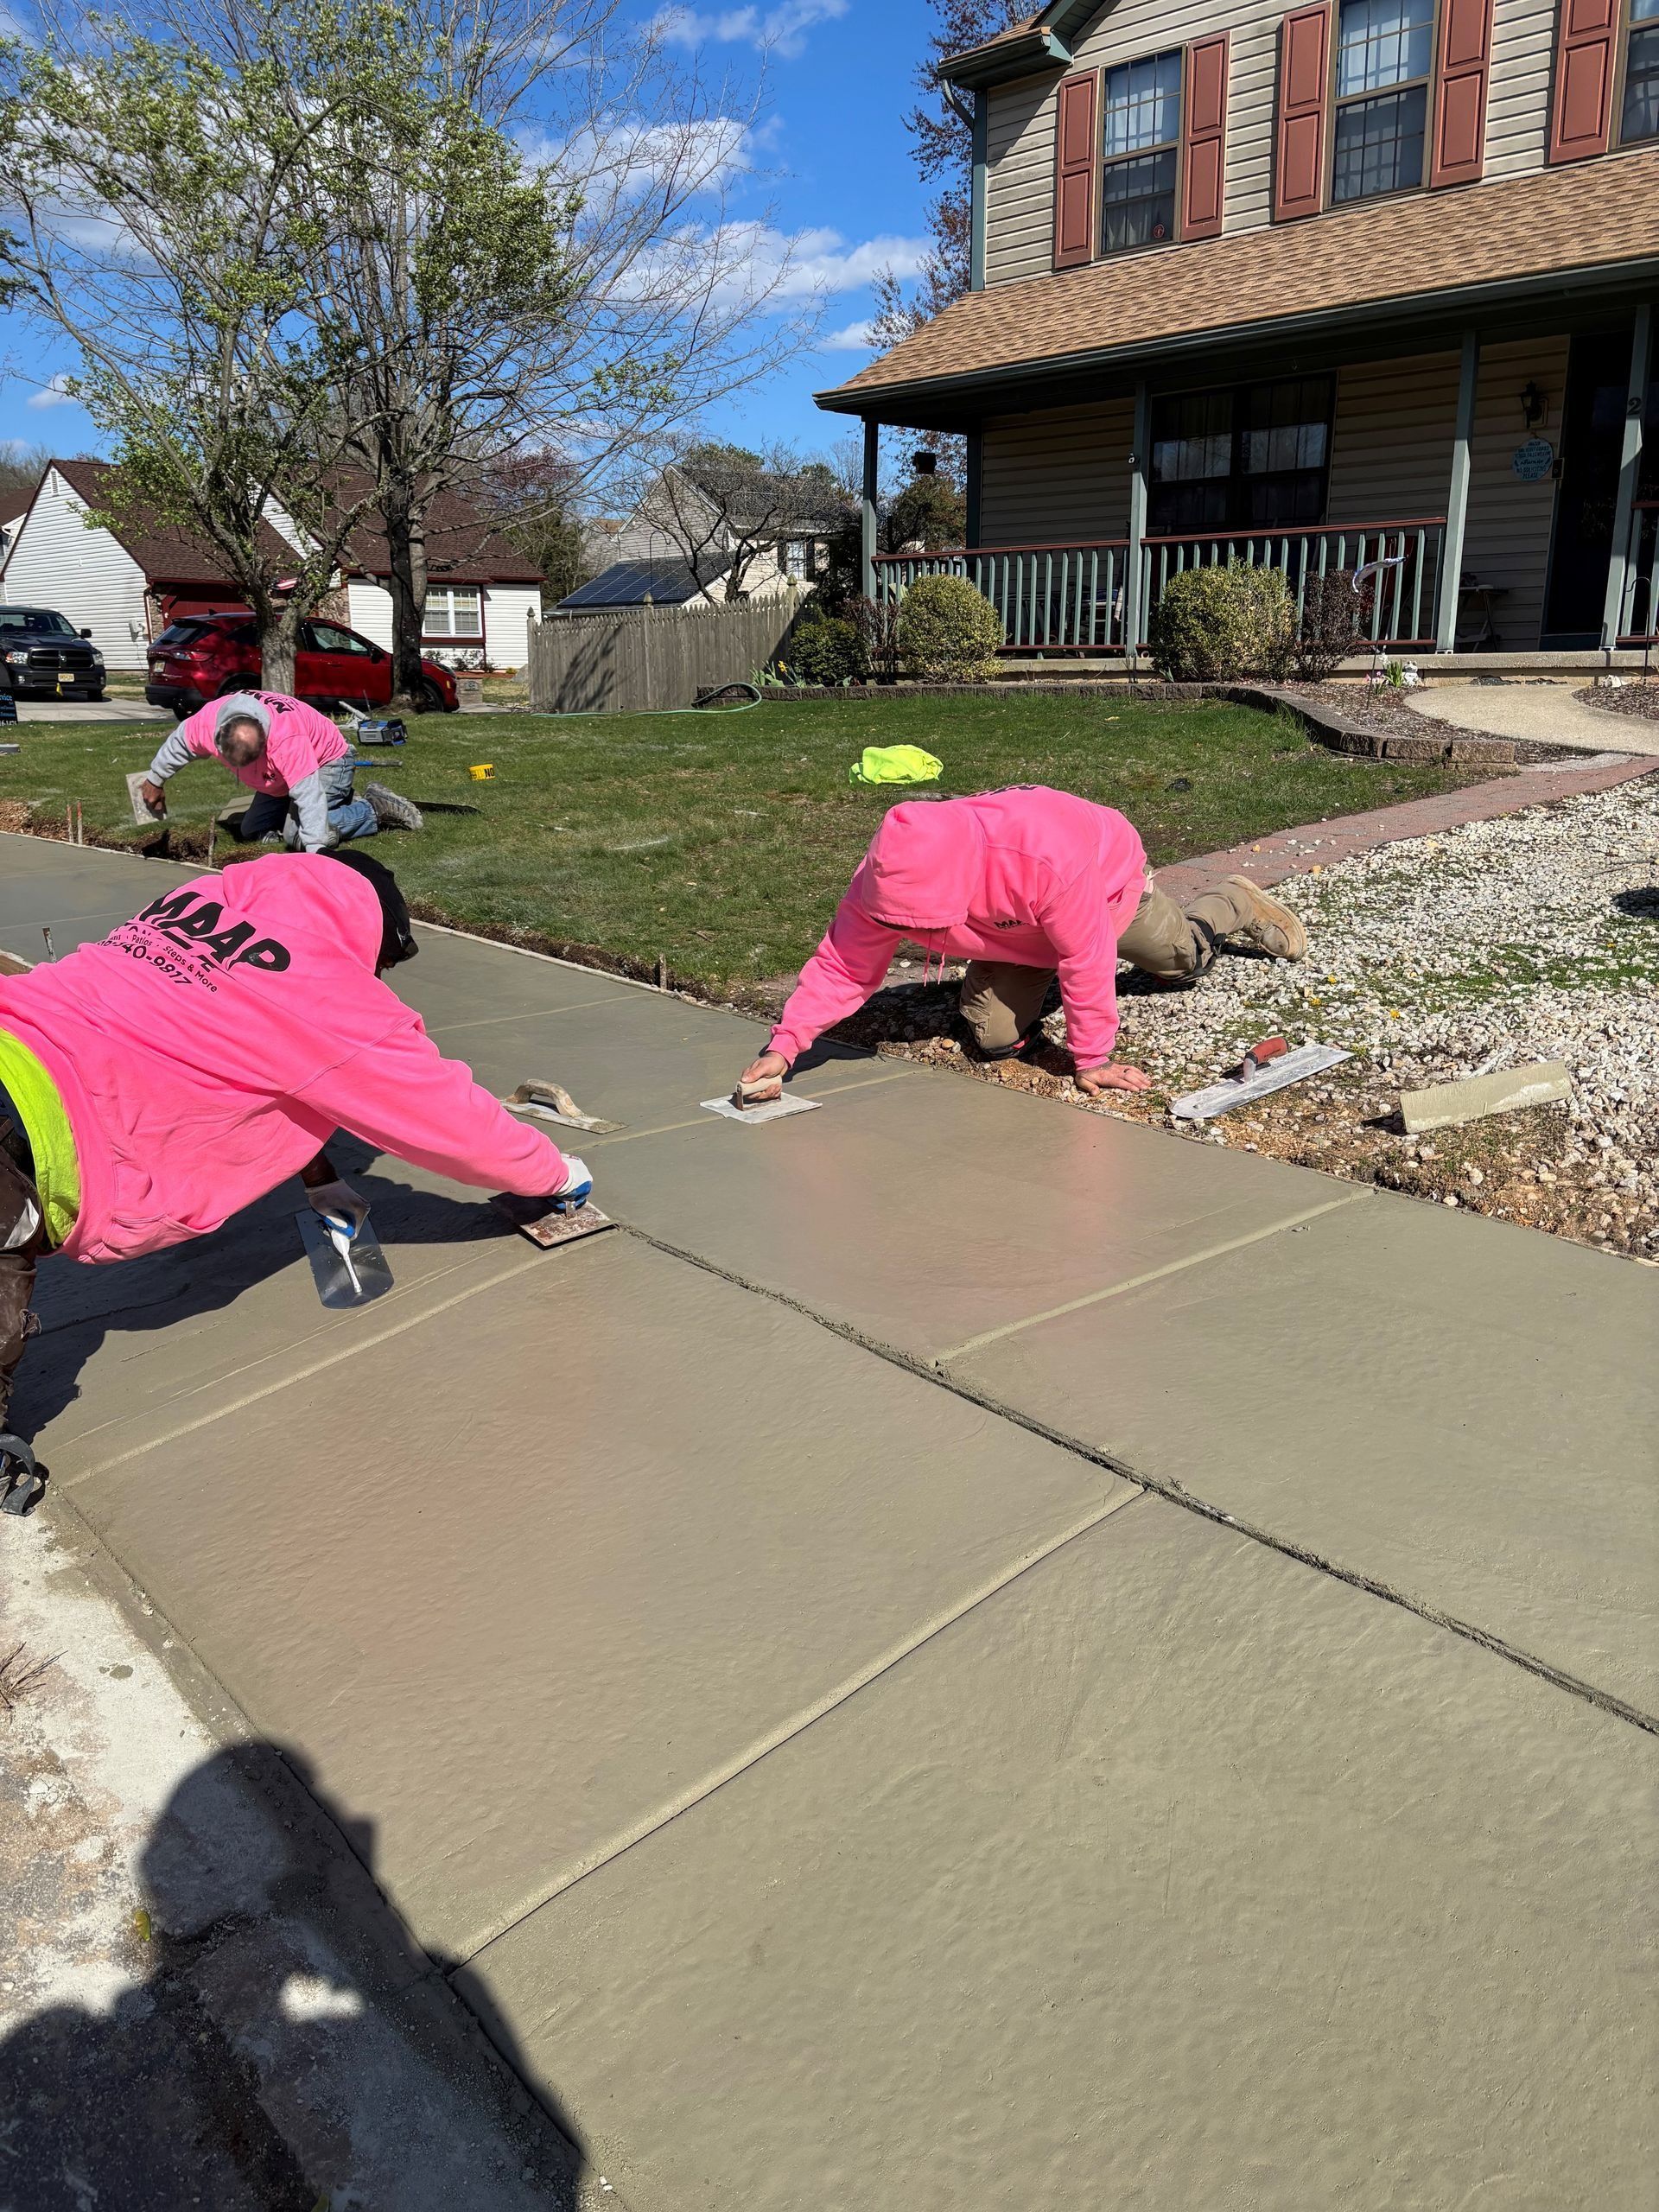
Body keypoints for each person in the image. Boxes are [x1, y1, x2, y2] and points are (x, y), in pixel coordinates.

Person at [0, 849, 591, 1511]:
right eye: (384, 965)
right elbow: (452, 1122)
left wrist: (318, 1174)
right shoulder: (332, 998)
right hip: (23, 1140)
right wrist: (557, 1173)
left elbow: (233, 1047)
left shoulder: (194, 903)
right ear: (366, 930)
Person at [738, 785, 1308, 1100]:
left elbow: (1086, 958)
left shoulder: (1041, 860)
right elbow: (843, 965)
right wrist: (785, 1048)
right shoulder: (884, 879)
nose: (916, 938)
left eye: (929, 925)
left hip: (1107, 893)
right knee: (990, 1036)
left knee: (1181, 962)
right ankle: (1032, 969)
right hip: (1014, 929)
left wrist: (1092, 1059)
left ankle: (1233, 901)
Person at [139, 690, 423, 851]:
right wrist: (155, 780)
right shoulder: (207, 723)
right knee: (253, 829)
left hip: (330, 762)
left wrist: (315, 851)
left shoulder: (287, 740)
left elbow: (309, 794)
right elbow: (178, 745)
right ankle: (341, 803)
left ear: (263, 742)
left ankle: (375, 809)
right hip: (278, 781)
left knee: (296, 836)